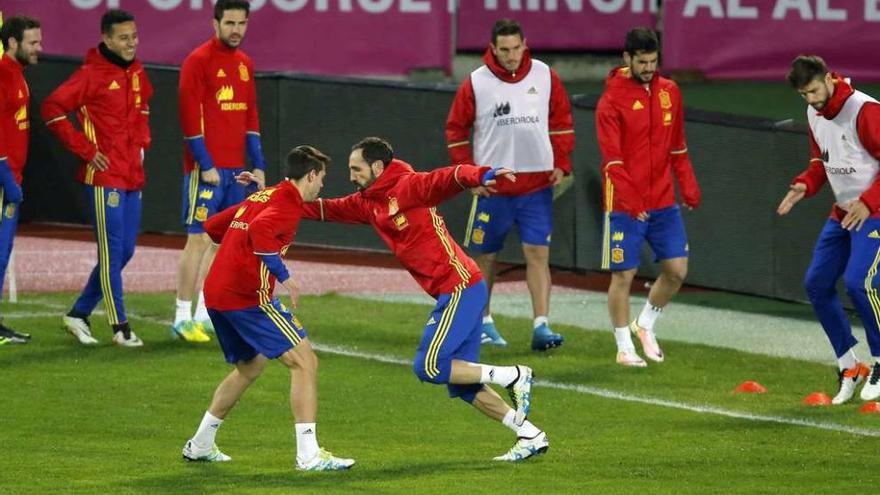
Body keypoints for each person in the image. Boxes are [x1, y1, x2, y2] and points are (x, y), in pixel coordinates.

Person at [287, 137, 548, 462]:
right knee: (463, 384)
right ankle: (530, 435)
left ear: (378, 167)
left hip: (460, 287)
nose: (351, 176)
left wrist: (481, 174)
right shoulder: (369, 202)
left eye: (357, 169)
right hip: (453, 290)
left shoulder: (407, 186)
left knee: (429, 365)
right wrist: (282, 199)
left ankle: (514, 375)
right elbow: (327, 209)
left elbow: (445, 178)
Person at [181, 145, 353, 471]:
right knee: (305, 362)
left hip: (217, 294)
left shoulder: (264, 196)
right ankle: (309, 455)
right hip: (248, 298)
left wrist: (253, 208)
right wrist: (284, 277)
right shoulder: (285, 203)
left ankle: (200, 443)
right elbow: (261, 230)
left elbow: (215, 226)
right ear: (312, 174)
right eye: (322, 178)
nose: (323, 186)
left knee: (250, 367)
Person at [445, 18, 574, 351]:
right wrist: (467, 175)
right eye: (504, 50)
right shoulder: (477, 82)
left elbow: (561, 122)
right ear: (492, 49)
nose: (512, 55)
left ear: (524, 44)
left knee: (538, 253)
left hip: (536, 186)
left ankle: (541, 326)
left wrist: (562, 162)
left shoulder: (545, 75)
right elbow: (455, 129)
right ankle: (484, 323)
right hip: (493, 186)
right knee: (485, 257)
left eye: (517, 48)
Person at [42, 9, 152, 347]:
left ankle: (78, 313)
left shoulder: (136, 72)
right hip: (104, 177)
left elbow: (143, 103)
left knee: (126, 252)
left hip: (132, 175)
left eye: (134, 36)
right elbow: (52, 108)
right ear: (106, 39)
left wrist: (143, 143)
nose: (131, 43)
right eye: (124, 37)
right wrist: (86, 150)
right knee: (112, 253)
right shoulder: (91, 75)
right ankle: (120, 326)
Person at [777, 55, 880, 404]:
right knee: (817, 284)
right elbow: (821, 161)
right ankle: (849, 364)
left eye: (814, 90)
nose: (811, 99)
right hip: (843, 213)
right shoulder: (813, 114)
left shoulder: (865, 110)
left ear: (829, 78)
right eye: (804, 94)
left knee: (859, 283)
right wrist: (805, 184)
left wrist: (868, 201)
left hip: (875, 212)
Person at [595, 27, 701, 367]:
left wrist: (688, 184)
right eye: (642, 62)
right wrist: (631, 200)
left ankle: (646, 325)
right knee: (623, 275)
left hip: (662, 200)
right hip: (625, 204)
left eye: (653, 61)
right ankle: (624, 346)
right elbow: (612, 162)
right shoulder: (610, 101)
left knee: (676, 270)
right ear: (627, 59)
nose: (649, 68)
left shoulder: (670, 91)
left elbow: (678, 146)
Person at [173, 0, 268, 343]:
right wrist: (206, 164)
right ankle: (182, 316)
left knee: (220, 243)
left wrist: (258, 163)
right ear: (215, 24)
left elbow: (251, 117)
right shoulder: (197, 61)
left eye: (242, 23)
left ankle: (204, 312)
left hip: (235, 171)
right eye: (230, 23)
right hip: (207, 171)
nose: (236, 30)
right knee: (197, 239)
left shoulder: (245, 64)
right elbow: (189, 119)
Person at [0, 15, 41, 345]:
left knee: (4, 251)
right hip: (2, 179)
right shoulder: (2, 74)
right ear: (12, 43)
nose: (39, 48)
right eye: (33, 42)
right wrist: (7, 179)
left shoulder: (18, 75)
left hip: (12, 174)